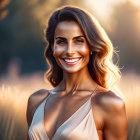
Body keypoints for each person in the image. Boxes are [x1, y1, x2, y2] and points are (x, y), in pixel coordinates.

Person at [26, 5, 127, 140]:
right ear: (52, 47)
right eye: (61, 42)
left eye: (79, 41)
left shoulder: (109, 103)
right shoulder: (36, 100)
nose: (69, 51)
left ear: (91, 46)